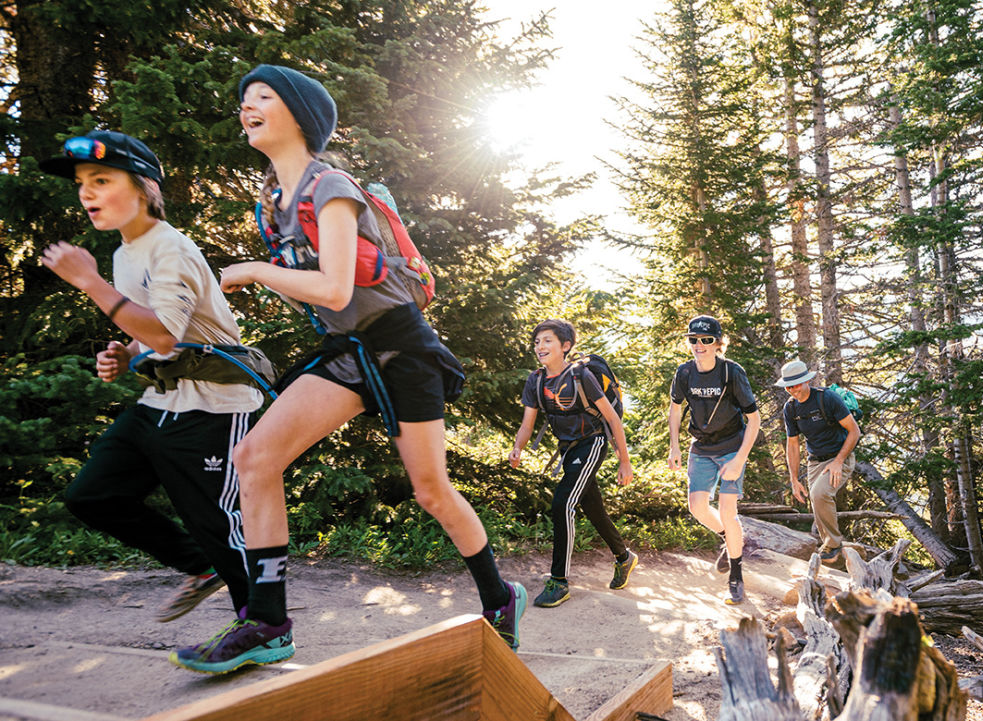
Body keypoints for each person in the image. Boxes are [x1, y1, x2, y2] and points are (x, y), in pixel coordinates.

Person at [170, 64, 525, 674]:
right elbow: (322, 300)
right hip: (346, 353)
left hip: (401, 348)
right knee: (255, 458)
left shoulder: (329, 185)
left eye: (263, 97)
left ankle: (499, 597)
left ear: (300, 116)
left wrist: (254, 270)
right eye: (244, 99)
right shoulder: (273, 203)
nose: (246, 106)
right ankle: (267, 622)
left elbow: (333, 288)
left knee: (430, 491)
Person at [39, 130, 262, 625]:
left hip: (214, 404)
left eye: (101, 179)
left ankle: (261, 626)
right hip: (162, 402)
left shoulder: (171, 249)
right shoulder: (125, 253)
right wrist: (125, 355)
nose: (86, 192)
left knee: (216, 523)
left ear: (143, 188)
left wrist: (90, 283)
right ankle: (199, 567)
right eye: (81, 182)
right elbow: (156, 336)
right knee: (93, 495)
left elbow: (165, 335)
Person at [509, 319, 636, 607]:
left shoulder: (580, 376)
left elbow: (613, 419)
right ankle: (624, 557)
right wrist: (518, 448)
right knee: (593, 508)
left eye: (547, 341)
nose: (540, 346)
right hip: (568, 450)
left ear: (565, 346)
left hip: (592, 443)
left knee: (562, 503)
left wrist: (624, 462)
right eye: (537, 341)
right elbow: (527, 424)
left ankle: (559, 581)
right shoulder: (536, 380)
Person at [667, 315, 760, 604]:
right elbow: (675, 409)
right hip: (702, 447)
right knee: (696, 507)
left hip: (733, 446)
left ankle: (736, 576)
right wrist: (675, 446)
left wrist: (739, 460)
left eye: (706, 340)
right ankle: (728, 538)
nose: (699, 345)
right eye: (693, 339)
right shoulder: (684, 374)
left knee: (728, 510)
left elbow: (754, 419)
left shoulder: (732, 373)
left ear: (718, 343)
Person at [776, 359, 861, 563]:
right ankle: (830, 549)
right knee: (816, 500)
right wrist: (794, 479)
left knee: (820, 494)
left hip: (840, 455)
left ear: (806, 381)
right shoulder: (791, 408)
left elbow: (854, 431)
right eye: (788, 386)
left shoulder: (827, 398)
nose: (792, 389)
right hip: (815, 461)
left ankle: (833, 545)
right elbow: (793, 445)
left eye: (795, 384)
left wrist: (839, 461)